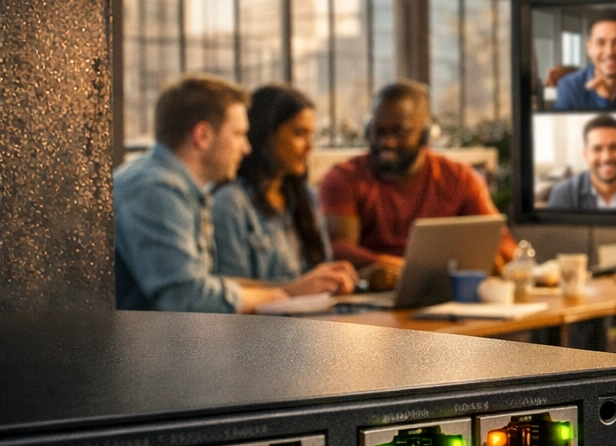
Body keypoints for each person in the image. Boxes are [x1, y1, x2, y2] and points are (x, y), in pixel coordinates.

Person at [116, 75, 355, 312]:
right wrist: (283, 295)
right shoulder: (156, 188)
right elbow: (185, 298)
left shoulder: (179, 187)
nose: (246, 147)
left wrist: (285, 293)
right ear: (203, 136)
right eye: (239, 134)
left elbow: (205, 286)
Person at [318, 80, 514, 286]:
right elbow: (338, 249)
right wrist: (388, 264)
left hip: (445, 291)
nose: (388, 142)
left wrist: (496, 260)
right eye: (379, 131)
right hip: (373, 294)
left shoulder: (460, 178)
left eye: (400, 132)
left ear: (425, 134)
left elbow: (500, 241)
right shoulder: (344, 178)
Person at [212, 84, 335, 284]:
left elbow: (322, 269)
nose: (310, 145)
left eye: (311, 134)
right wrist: (295, 290)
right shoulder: (231, 202)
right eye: (299, 133)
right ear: (266, 135)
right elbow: (233, 290)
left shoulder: (306, 196)